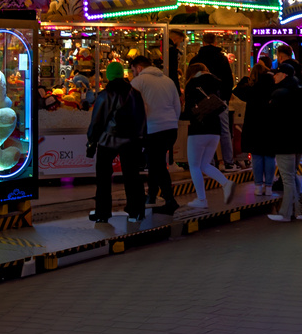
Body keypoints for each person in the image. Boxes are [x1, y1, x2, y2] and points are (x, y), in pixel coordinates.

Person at [88, 61, 147, 222]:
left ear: (108, 76)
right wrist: (141, 139)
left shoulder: (104, 95)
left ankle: (102, 212)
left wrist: (91, 141)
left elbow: (96, 122)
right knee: (132, 175)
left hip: (109, 139)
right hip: (132, 140)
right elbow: (142, 118)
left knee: (103, 177)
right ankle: (136, 211)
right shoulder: (135, 93)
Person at [128, 55, 182, 215]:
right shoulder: (168, 80)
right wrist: (173, 121)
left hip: (152, 128)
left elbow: (133, 107)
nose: (133, 74)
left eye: (132, 71)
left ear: (138, 68)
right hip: (170, 128)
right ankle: (151, 195)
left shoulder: (138, 82)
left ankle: (170, 199)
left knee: (157, 164)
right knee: (155, 162)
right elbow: (177, 105)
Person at [265, 61, 302, 222]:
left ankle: (285, 213)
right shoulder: (301, 92)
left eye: (276, 74)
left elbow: (272, 119)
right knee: (292, 175)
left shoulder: (279, 94)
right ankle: (301, 211)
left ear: (283, 75)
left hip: (283, 140)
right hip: (299, 138)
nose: (274, 77)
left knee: (287, 177)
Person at [181, 62, 233, 209]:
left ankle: (201, 199)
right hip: (215, 129)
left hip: (198, 129)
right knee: (204, 164)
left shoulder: (192, 84)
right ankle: (226, 183)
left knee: (195, 165)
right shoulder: (216, 82)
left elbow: (190, 109)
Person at [234, 58, 278, 196]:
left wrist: (246, 80)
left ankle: (258, 186)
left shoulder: (251, 89)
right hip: (270, 123)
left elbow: (237, 91)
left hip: (253, 124)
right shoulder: (273, 87)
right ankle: (269, 186)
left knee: (257, 156)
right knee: (269, 156)